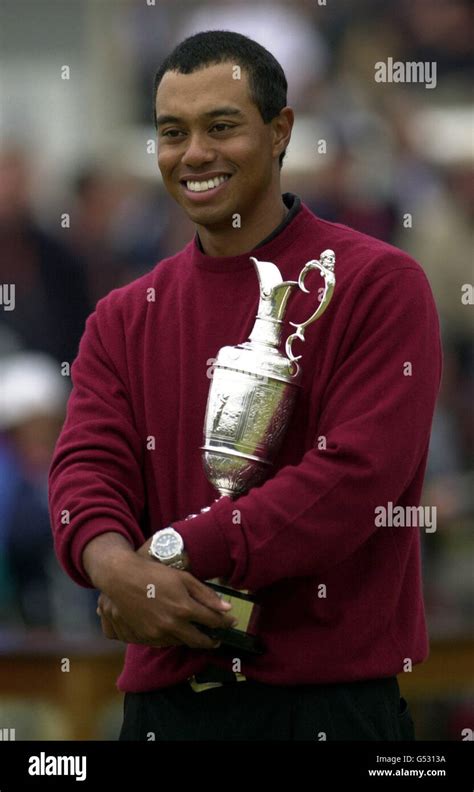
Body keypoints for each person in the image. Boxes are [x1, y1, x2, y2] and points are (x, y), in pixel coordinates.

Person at [48, 31, 442, 741]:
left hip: (327, 708)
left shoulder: (378, 285)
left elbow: (355, 481)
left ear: (280, 130)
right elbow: (85, 473)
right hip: (161, 715)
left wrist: (162, 560)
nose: (194, 153)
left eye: (221, 126)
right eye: (173, 132)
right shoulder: (120, 315)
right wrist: (108, 567)